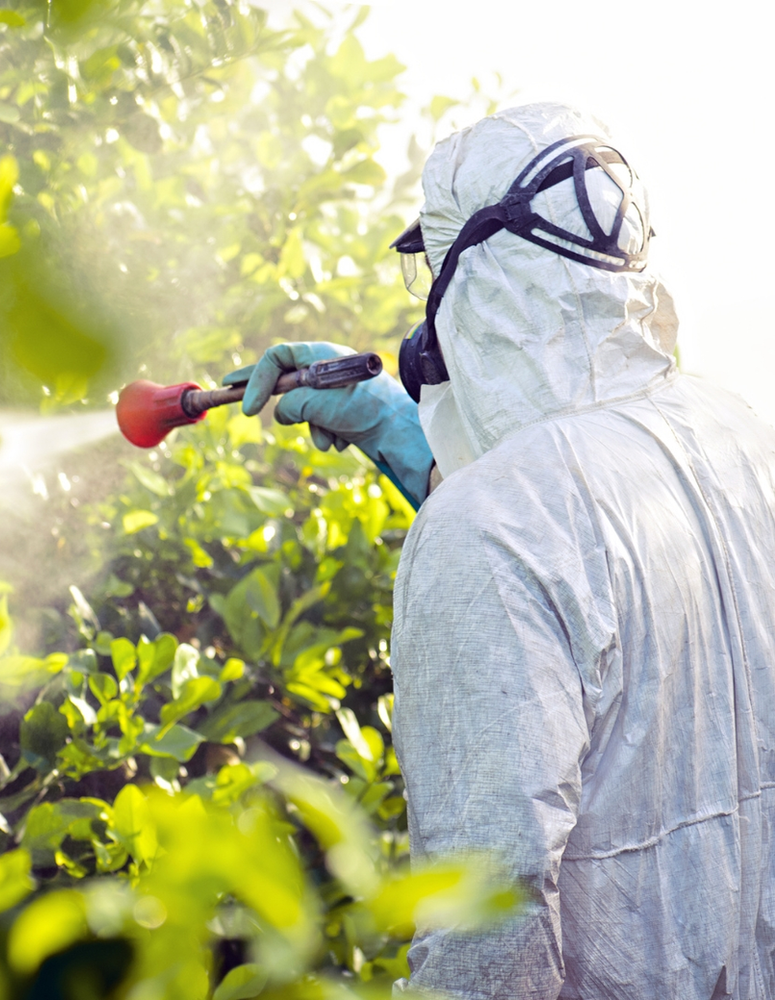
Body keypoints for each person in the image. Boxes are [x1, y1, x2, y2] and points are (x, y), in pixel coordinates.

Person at [227, 103, 775, 999]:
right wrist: (396, 432)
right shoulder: (741, 438)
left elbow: (493, 931)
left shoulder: (487, 532)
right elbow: (586, 543)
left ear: (476, 283)